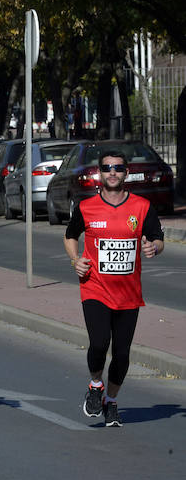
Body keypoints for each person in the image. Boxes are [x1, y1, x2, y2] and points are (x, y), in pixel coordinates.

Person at [63, 149, 165, 427]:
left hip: (129, 293)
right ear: (100, 172)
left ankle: (111, 401)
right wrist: (76, 260)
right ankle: (96, 385)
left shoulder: (141, 207)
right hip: (94, 288)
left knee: (122, 353)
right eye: (107, 167)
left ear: (126, 172)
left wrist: (153, 247)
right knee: (99, 343)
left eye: (118, 168)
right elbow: (71, 236)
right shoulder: (86, 207)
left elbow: (157, 238)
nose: (112, 172)